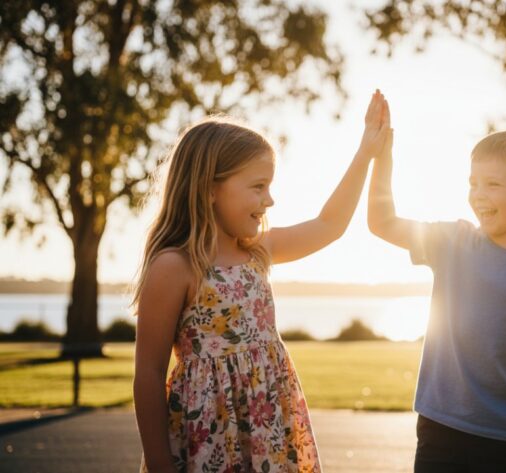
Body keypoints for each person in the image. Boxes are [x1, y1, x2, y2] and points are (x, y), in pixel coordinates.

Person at [132, 91, 390, 472]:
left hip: (269, 431)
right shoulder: (176, 266)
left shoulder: (257, 251)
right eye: (258, 186)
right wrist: (158, 464)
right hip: (210, 438)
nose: (269, 200)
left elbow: (329, 225)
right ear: (210, 188)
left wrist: (365, 152)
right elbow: (149, 374)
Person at [367, 108, 506, 473]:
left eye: (493, 184)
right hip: (440, 428)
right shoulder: (452, 241)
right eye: (473, 183)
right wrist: (383, 156)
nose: (478, 195)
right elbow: (381, 222)